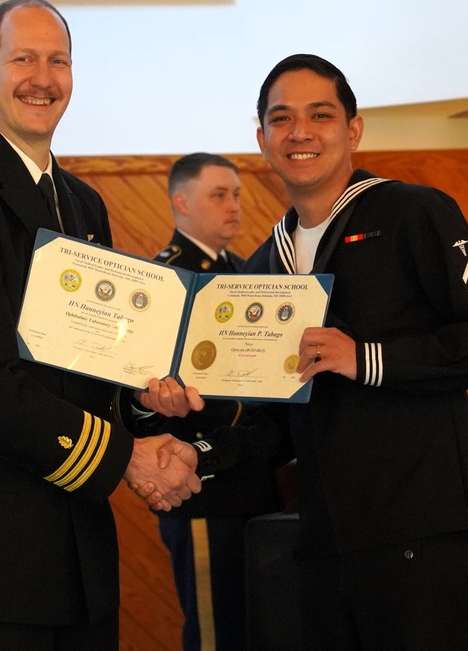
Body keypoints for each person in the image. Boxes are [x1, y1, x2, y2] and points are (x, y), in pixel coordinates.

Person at [181, 54, 468, 650]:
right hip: (321, 547)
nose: (300, 132)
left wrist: (366, 358)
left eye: (319, 115)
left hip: (421, 542)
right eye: (281, 119)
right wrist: (193, 454)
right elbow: (272, 420)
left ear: (352, 130)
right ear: (262, 139)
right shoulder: (266, 263)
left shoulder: (413, 213)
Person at [0, 0, 202, 651]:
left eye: (58, 60)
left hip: (75, 558)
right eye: (23, 58)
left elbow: (86, 365)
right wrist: (128, 458)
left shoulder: (82, 202)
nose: (44, 77)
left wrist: (143, 396)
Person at [151, 153, 283, 651]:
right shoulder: (166, 280)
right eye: (219, 195)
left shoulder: (243, 271)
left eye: (237, 195)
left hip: (254, 474)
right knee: (216, 631)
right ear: (181, 203)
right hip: (202, 483)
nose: (234, 206)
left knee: (257, 628)